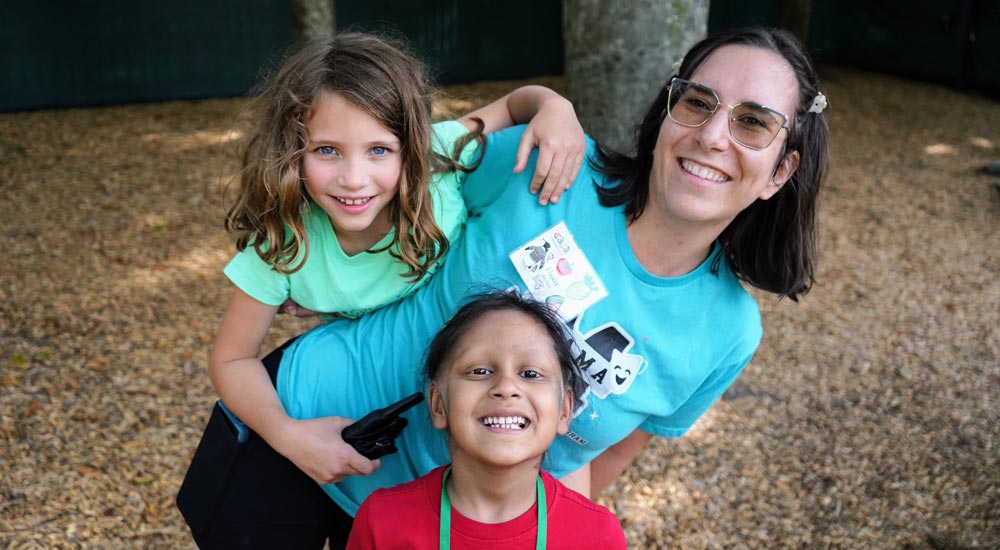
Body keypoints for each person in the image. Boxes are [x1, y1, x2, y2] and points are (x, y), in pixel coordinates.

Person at [179, 26, 830, 547]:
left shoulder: (726, 332)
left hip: (425, 525)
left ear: (781, 170)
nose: (713, 135)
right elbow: (375, 161)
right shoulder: (548, 162)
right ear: (666, 114)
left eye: (753, 123)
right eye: (698, 102)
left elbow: (593, 470)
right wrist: (322, 274)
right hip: (293, 425)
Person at [345, 291, 626, 549]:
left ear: (564, 410)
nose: (506, 386)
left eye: (530, 374)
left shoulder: (598, 535)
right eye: (479, 371)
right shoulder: (381, 521)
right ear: (438, 404)